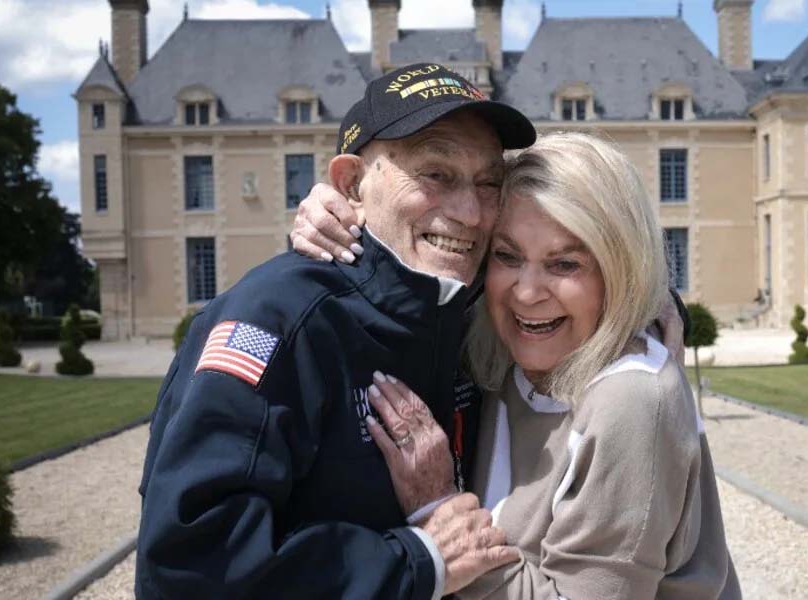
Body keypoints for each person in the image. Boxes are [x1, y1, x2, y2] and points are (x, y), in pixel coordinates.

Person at [134, 63, 537, 599]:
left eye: (489, 183)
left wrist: (651, 302)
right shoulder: (278, 317)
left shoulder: (471, 305)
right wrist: (421, 560)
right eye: (436, 174)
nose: (470, 213)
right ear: (350, 183)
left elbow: (588, 278)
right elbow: (191, 561)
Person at [293, 133, 740, 598]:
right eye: (507, 256)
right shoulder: (498, 348)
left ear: (621, 268)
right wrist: (341, 214)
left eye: (565, 264)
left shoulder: (630, 401)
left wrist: (440, 510)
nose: (527, 293)